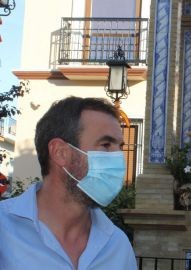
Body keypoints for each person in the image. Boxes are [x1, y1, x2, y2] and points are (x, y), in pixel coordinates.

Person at [0, 97, 137, 269]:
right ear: (60, 153)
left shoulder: (118, 246)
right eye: (106, 144)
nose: (119, 158)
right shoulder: (4, 232)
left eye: (120, 147)